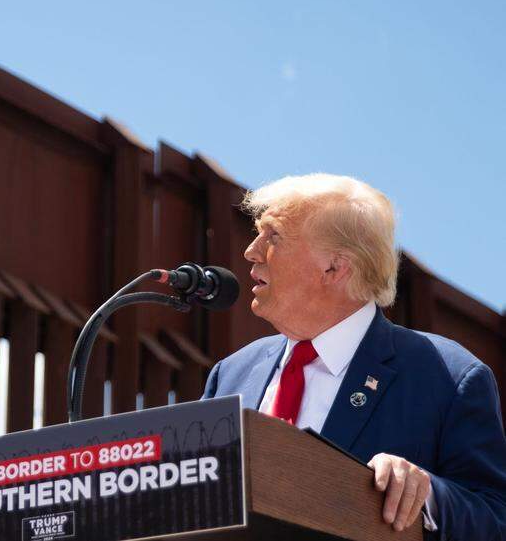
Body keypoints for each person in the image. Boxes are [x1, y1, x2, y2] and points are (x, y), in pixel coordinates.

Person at [200, 173, 506, 540]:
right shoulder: (231, 374)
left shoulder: (448, 376)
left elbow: (495, 517)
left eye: (273, 236)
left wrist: (427, 496)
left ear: (335, 267)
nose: (251, 250)